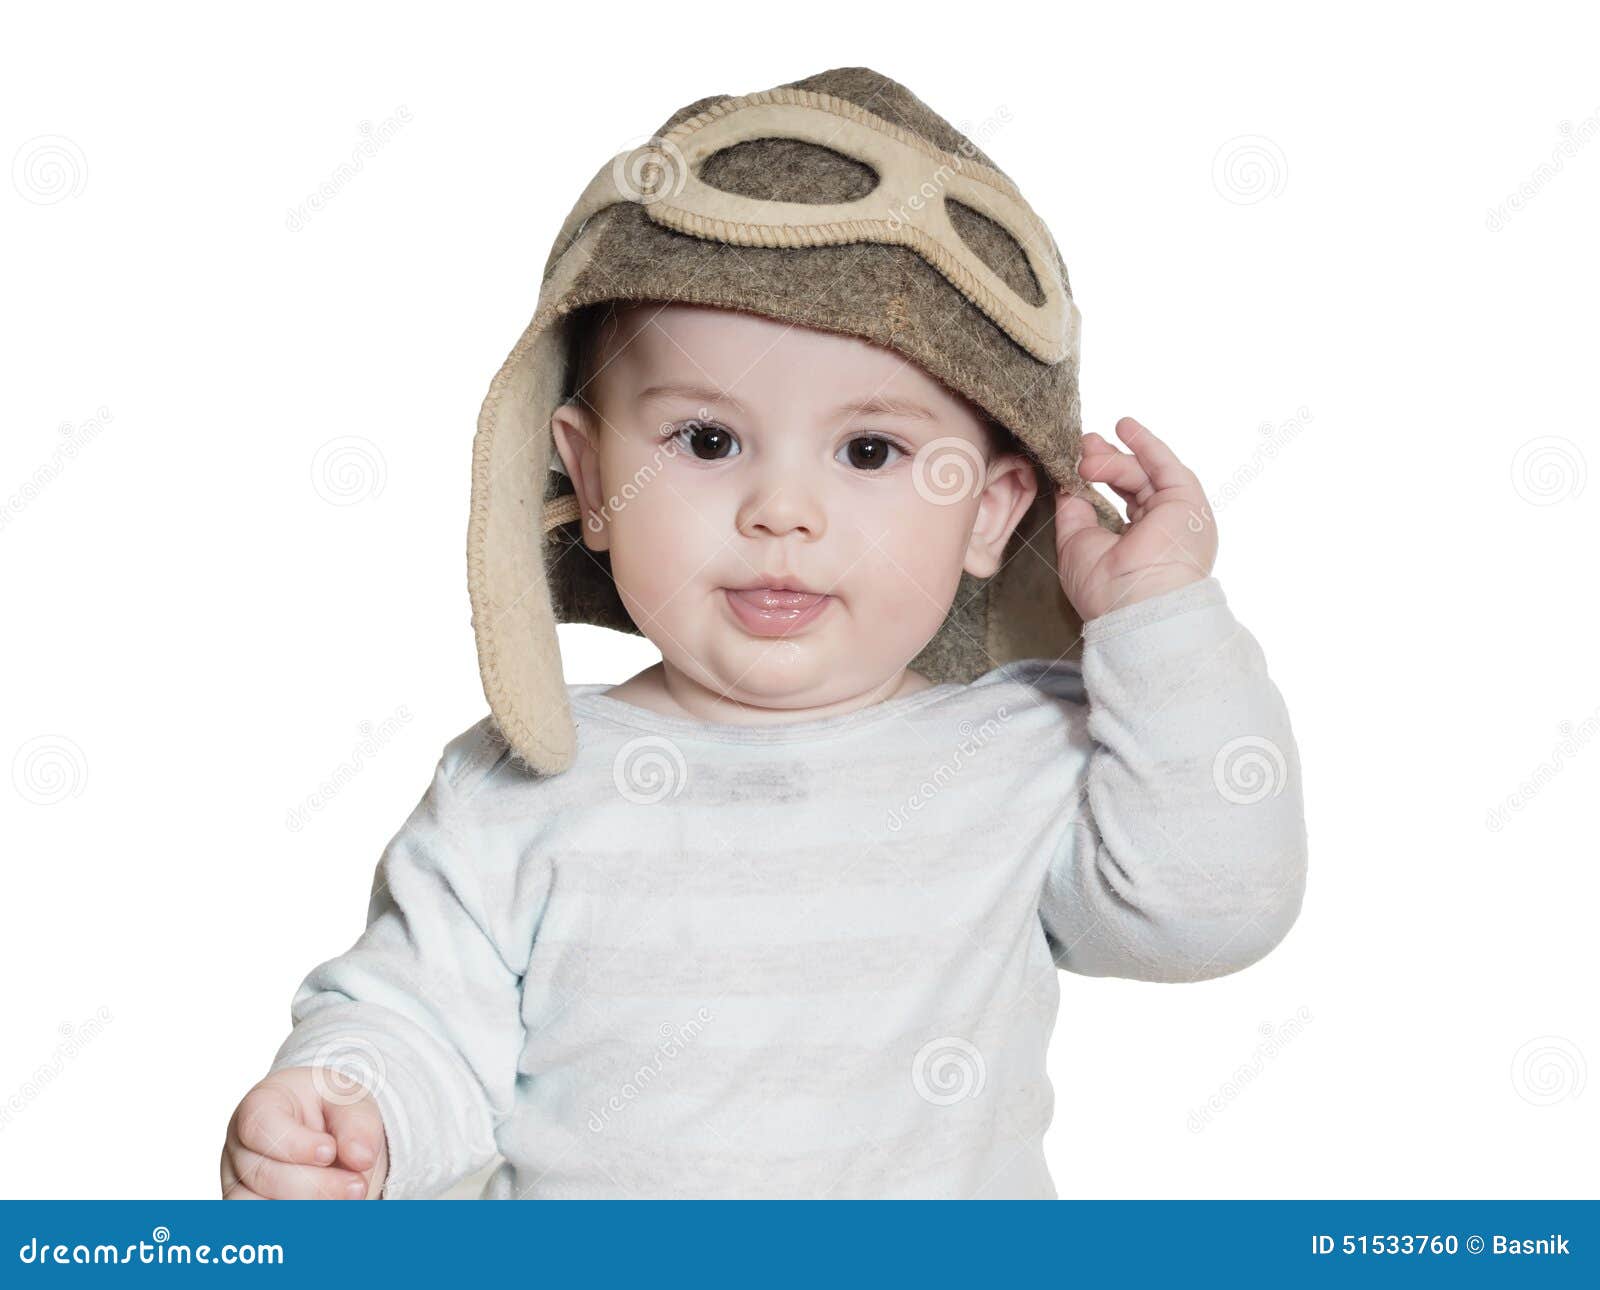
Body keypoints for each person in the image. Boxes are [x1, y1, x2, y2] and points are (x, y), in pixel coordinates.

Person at [220, 65, 1306, 1200]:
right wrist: (353, 1113)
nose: (780, 511)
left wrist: (1156, 618)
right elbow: (421, 1022)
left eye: (871, 452)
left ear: (989, 512)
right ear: (588, 477)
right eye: (704, 441)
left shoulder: (1021, 755)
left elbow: (1210, 909)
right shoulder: (521, 783)